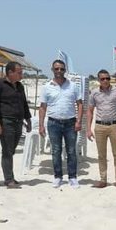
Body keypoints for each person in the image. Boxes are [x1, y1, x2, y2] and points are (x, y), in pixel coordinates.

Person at [38, 59, 83, 189]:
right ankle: (58, 176)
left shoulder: (73, 86)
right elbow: (42, 107)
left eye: (62, 69)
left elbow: (80, 104)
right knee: (56, 151)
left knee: (71, 151)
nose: (59, 71)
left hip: (70, 123)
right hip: (53, 123)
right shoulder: (46, 87)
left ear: (65, 70)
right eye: (56, 68)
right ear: (52, 70)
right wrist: (41, 125)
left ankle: (72, 177)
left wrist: (78, 121)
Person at [0, 61, 32, 189]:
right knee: (7, 150)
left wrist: (28, 120)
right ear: (10, 72)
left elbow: (24, 104)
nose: (21, 75)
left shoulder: (20, 86)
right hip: (5, 121)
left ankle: (10, 176)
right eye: (19, 72)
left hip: (18, 122)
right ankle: (9, 180)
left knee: (11, 150)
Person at [86, 70, 116, 189]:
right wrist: (88, 129)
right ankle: (103, 180)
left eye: (107, 78)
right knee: (101, 155)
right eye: (102, 79)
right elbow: (90, 111)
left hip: (114, 126)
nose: (105, 80)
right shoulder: (94, 93)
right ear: (98, 80)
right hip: (100, 127)